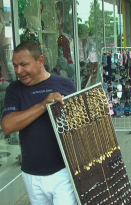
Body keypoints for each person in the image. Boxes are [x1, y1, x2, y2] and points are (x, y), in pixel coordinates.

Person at [2, 41, 77, 204]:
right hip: (32, 174)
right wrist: (43, 105)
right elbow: (8, 126)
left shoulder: (66, 84)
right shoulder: (14, 90)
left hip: (63, 171)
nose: (18, 71)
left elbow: (80, 122)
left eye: (24, 65)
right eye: (15, 66)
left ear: (40, 61)